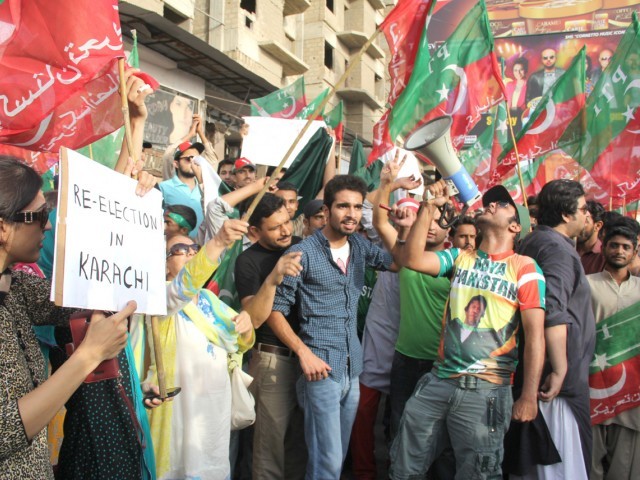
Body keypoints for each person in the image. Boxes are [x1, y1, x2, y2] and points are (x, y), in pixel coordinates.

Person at [390, 183, 545, 480]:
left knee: (477, 475)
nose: (491, 205)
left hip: (486, 392)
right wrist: (428, 207)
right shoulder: (461, 256)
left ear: (515, 226)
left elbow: (535, 336)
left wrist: (528, 396)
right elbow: (410, 259)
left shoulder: (525, 268)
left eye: (501, 205)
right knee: (403, 468)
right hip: (439, 380)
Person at [0, 156, 140, 479]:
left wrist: (119, 199)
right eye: (40, 216)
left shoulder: (16, 286)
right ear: (3, 227)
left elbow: (79, 290)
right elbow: (6, 430)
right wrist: (89, 355)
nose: (47, 226)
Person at [270, 175, 397, 479]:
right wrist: (303, 353)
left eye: (356, 206)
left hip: (352, 367)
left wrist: (385, 213)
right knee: (326, 461)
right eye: (343, 206)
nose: (351, 213)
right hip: (320, 367)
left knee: (335, 460)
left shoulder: (360, 247)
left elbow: (400, 262)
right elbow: (275, 311)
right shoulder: (303, 253)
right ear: (326, 211)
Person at [145, 218, 255, 480]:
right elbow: (181, 290)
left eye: (194, 249)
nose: (191, 253)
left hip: (212, 413)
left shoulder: (210, 300)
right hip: (178, 412)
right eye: (180, 250)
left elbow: (240, 341)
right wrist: (217, 242)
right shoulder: (157, 298)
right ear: (164, 262)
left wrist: (247, 325)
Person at [515, 179, 595, 479]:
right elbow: (551, 310)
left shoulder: (535, 241)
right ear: (565, 214)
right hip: (554, 387)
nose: (586, 216)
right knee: (559, 469)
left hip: (545, 380)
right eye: (582, 209)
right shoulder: (556, 249)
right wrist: (560, 369)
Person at [234, 193, 306, 480]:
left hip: (310, 361)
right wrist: (274, 276)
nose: (286, 230)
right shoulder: (247, 262)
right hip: (272, 361)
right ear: (254, 232)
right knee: (269, 447)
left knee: (300, 445)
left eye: (287, 221)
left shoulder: (303, 247)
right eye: (275, 227)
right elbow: (253, 317)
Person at [587, 222, 640, 479]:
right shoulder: (585, 285)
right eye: (614, 245)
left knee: (625, 466)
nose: (620, 251)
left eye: (626, 247)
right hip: (593, 382)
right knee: (590, 464)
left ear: (634, 251)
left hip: (631, 388)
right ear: (604, 248)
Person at [159, 141, 205, 233]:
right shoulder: (163, 188)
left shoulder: (205, 190)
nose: (193, 163)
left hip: (201, 246)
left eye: (196, 159)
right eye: (189, 159)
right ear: (176, 164)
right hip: (174, 246)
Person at [576, 200, 606, 274]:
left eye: (585, 221)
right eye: (576, 220)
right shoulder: (566, 249)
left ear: (598, 226)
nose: (578, 225)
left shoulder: (604, 256)